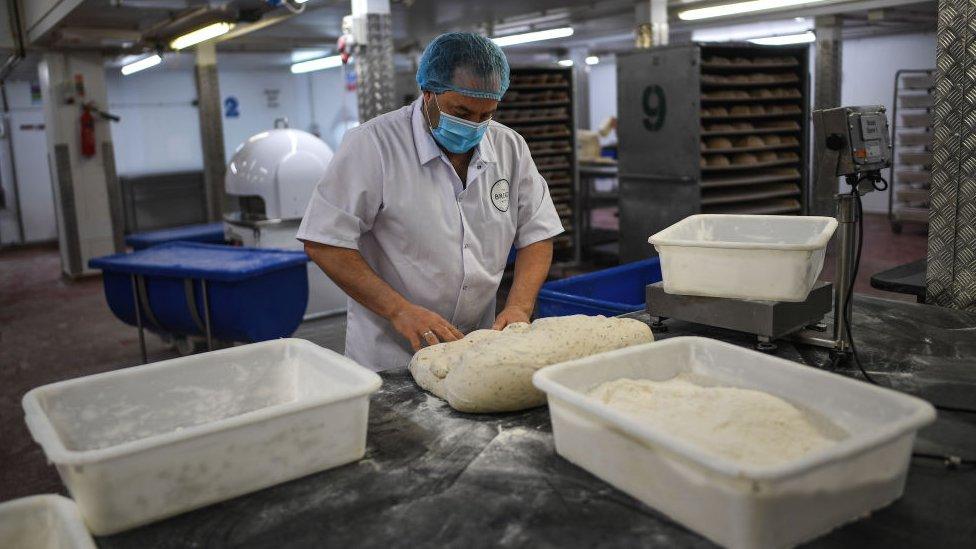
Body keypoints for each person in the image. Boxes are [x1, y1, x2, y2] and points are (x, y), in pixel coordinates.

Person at [297, 32, 563, 371]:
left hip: (477, 349)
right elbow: (324, 241)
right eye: (461, 111)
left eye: (486, 115)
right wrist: (399, 309)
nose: (473, 126)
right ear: (428, 93)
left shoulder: (510, 147)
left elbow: (538, 233)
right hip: (392, 357)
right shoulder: (374, 146)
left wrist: (519, 306)